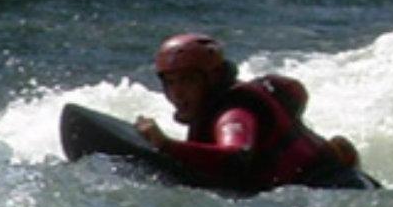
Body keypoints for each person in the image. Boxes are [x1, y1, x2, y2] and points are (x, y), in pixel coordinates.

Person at [133, 33, 371, 192]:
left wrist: (167, 146)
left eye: (188, 81)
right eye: (171, 83)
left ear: (213, 78)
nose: (178, 93)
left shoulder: (234, 113)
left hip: (337, 191)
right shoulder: (227, 102)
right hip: (345, 186)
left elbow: (236, 156)